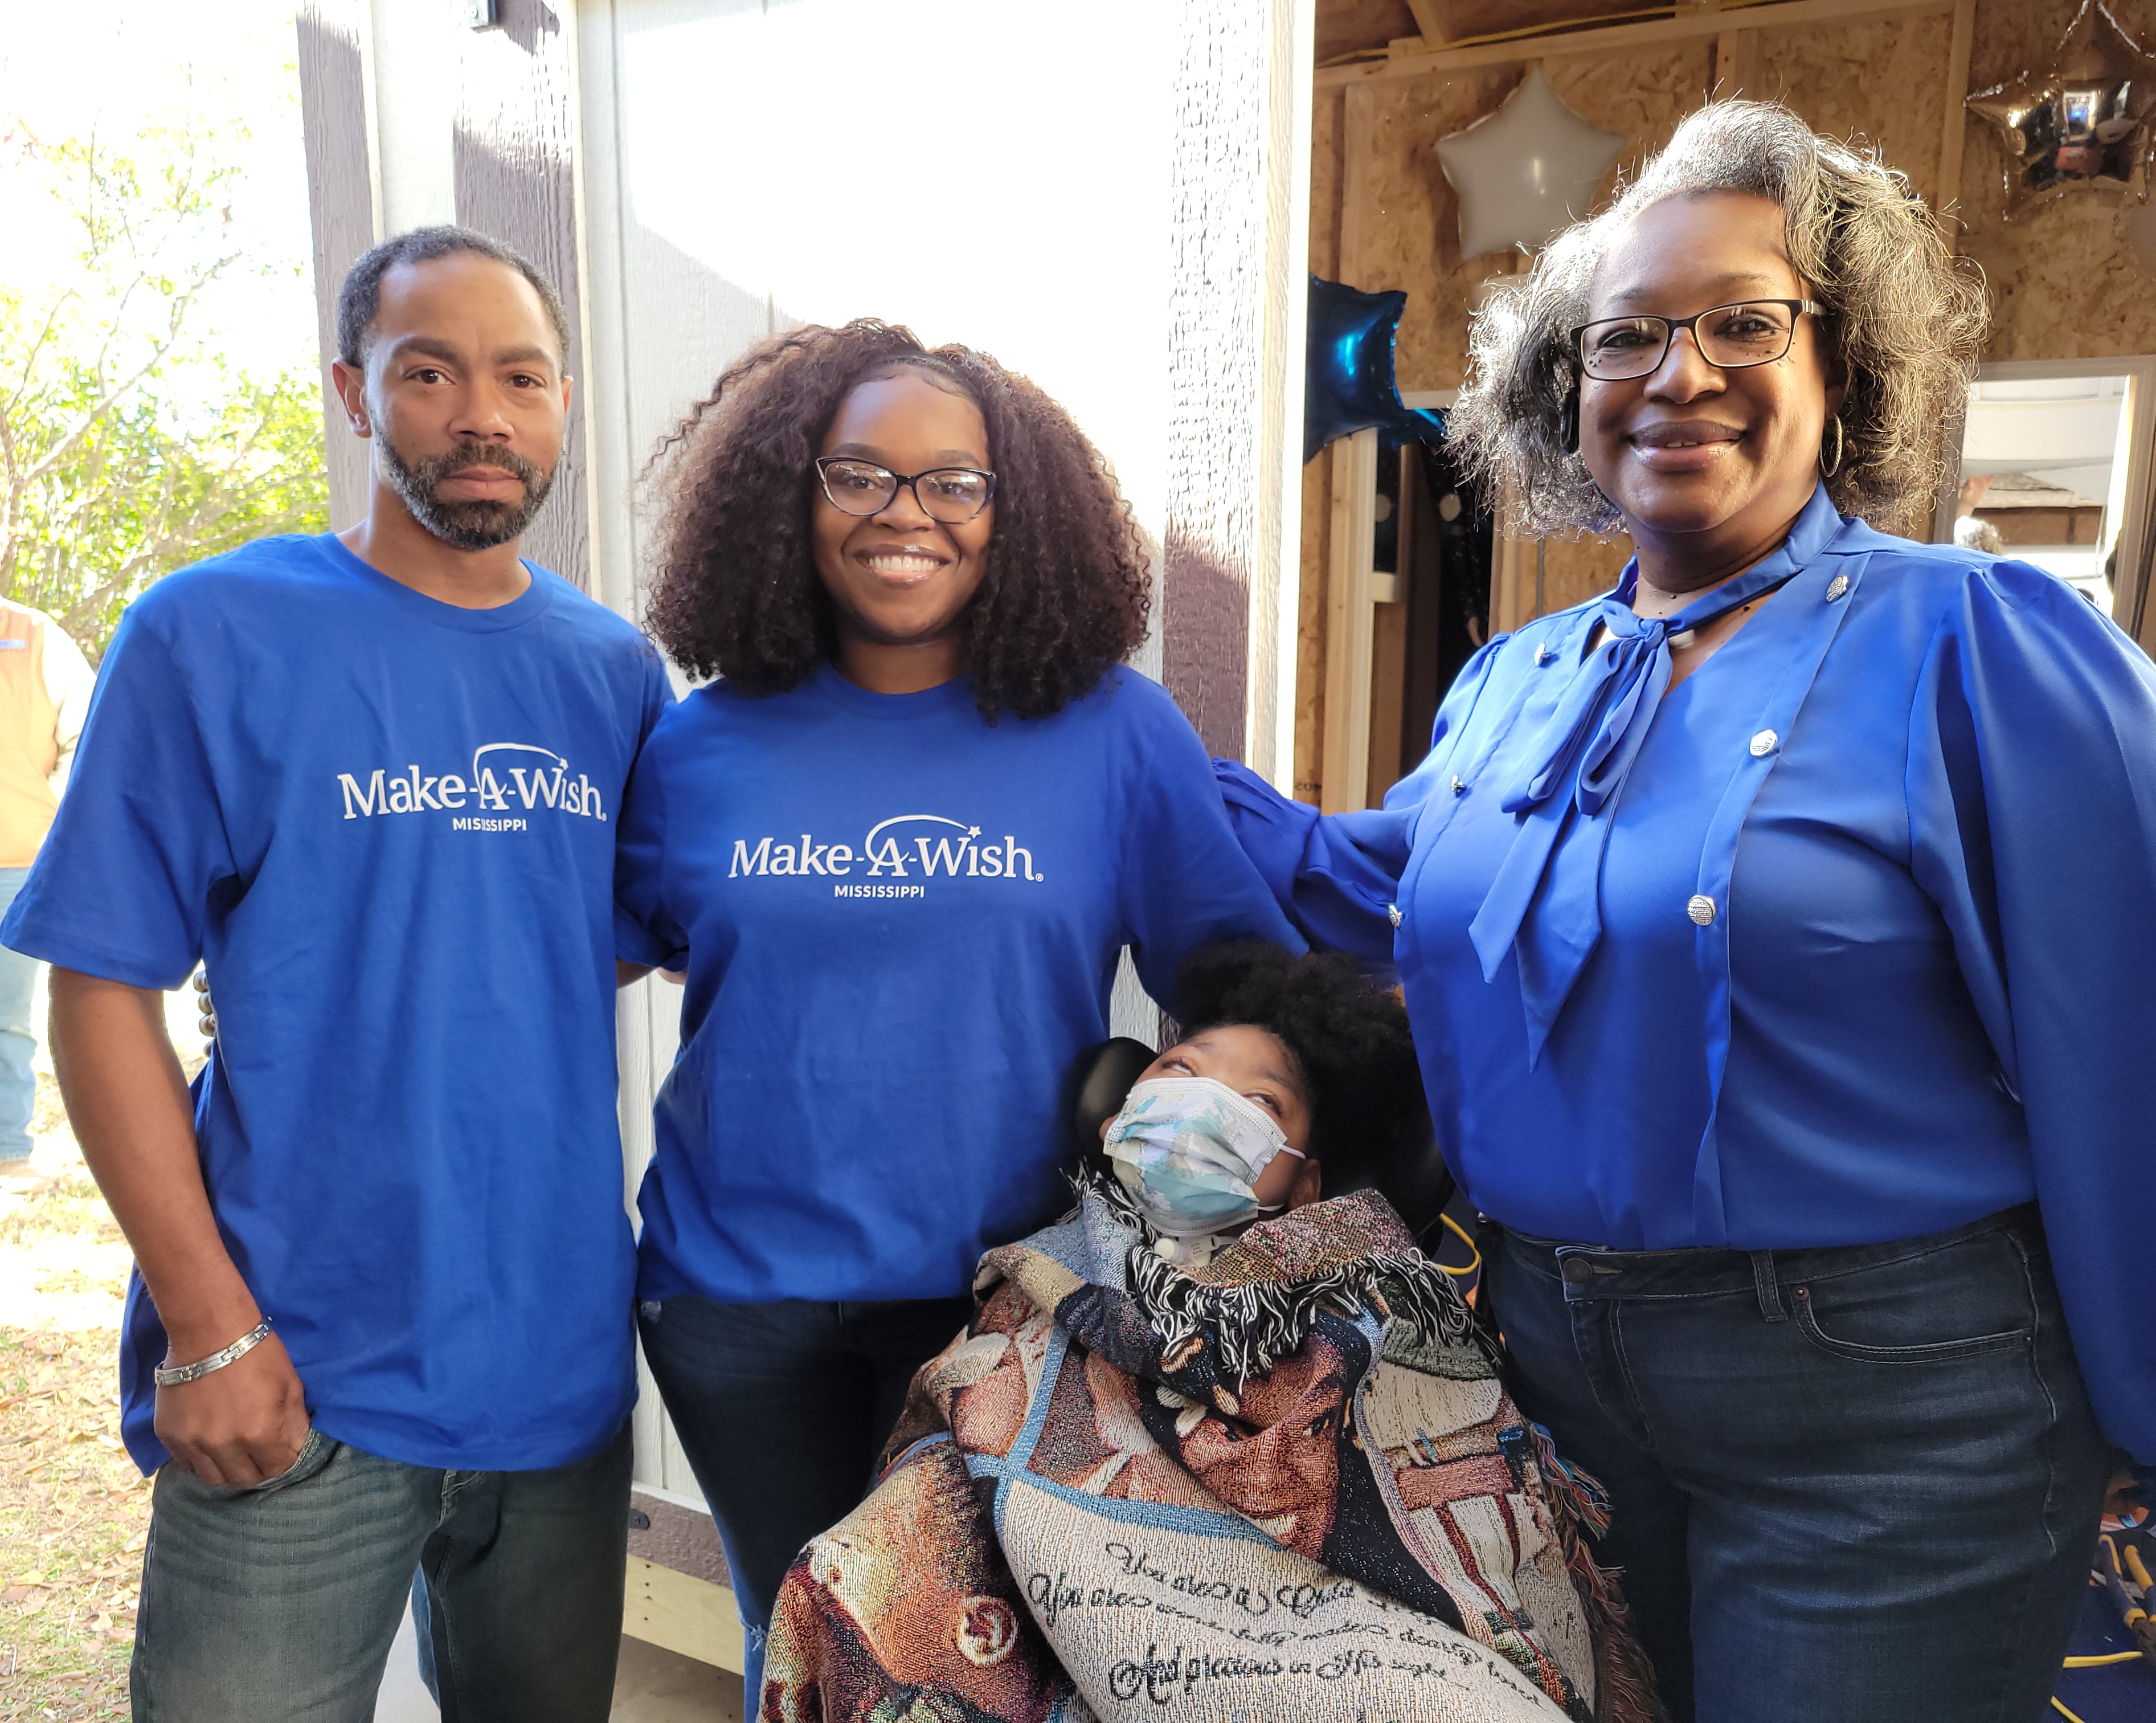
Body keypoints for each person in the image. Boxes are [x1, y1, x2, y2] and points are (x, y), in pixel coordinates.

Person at [1214, 100, 2156, 1723]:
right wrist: (1093, 725)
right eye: (1625, 335)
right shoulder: (1516, 679)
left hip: (1893, 1413)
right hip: (1547, 1380)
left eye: (1743, 322)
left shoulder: (1983, 644)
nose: (1678, 372)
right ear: (1564, 386)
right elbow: (1376, 887)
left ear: (1843, 362)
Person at [1, 226, 669, 1721]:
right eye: (430, 374)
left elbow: (590, 938)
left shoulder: (613, 673)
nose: (483, 414)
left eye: (522, 378)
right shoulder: (213, 634)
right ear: (357, 393)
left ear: (561, 405)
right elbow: (98, 988)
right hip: (294, 1373)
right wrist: (207, 1326)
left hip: (557, 1383)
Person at [615, 320, 1304, 1714]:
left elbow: (1240, 990)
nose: (905, 512)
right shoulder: (699, 744)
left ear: (1014, 512)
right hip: (735, 1303)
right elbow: (577, 955)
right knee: (798, 1642)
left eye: (954, 482)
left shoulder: (1115, 732)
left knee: (983, 1666)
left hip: (1003, 1298)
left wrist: (1248, 1186)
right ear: (791, 498)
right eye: (859, 474)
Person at [760, 942, 1656, 1723]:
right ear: (1116, 1118)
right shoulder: (1045, 1262)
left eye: (1259, 1100)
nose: (1205, 1104)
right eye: (1181, 1070)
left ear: (1305, 1183)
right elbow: (971, 1431)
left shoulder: (1377, 1291)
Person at [0, 598, 95, 1191]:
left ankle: (8, 1149)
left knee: (7, 1017)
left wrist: (47, 814)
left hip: (15, 862)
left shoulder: (35, 634)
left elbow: (90, 733)